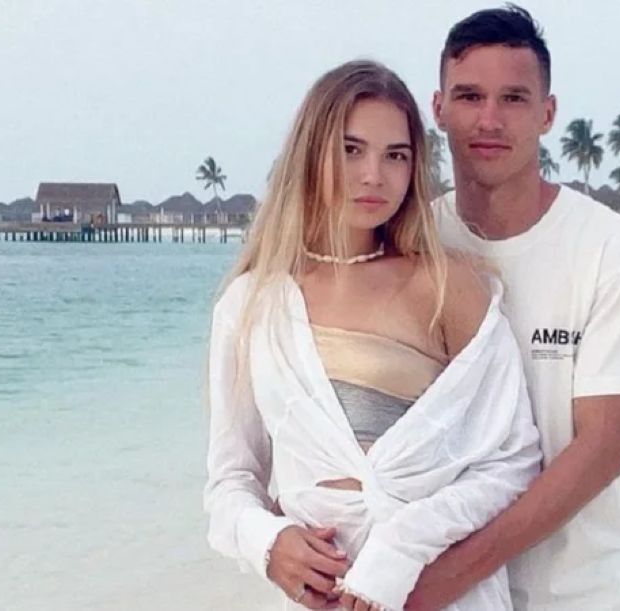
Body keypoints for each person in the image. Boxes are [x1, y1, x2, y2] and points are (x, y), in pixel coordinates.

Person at [203, 59, 541, 611]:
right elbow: (230, 481)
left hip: (439, 590)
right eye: (351, 150)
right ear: (311, 153)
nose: (373, 176)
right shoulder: (252, 305)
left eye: (396, 156)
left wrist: (402, 547)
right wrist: (268, 542)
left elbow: (514, 460)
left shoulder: (445, 285)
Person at [406, 5, 620, 609]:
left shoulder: (608, 248)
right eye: (469, 96)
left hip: (588, 588)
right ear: (439, 108)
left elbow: (601, 451)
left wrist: (447, 577)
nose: (489, 120)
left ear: (547, 114)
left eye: (514, 99)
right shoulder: (416, 241)